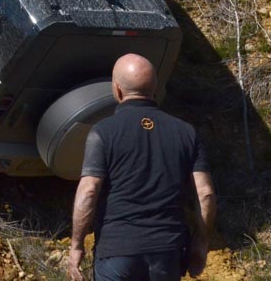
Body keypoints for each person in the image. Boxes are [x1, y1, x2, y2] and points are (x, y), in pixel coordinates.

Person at [68, 53, 216, 281]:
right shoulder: (186, 132)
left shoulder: (104, 132)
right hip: (168, 252)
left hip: (117, 251)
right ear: (154, 89)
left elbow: (88, 191)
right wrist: (201, 242)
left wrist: (77, 245)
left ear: (117, 89)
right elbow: (205, 194)